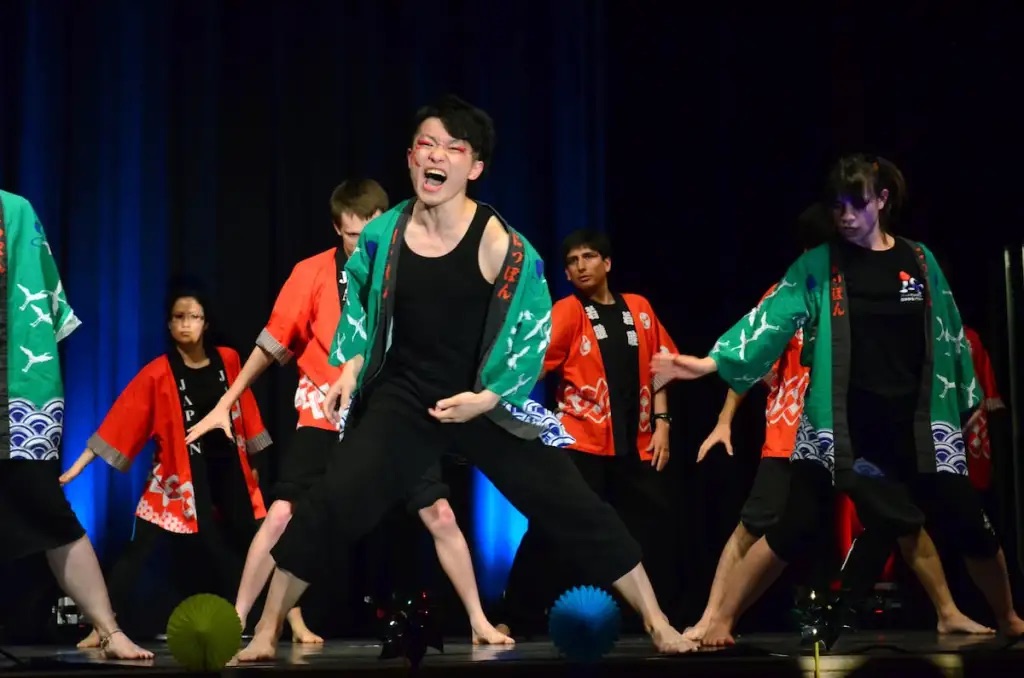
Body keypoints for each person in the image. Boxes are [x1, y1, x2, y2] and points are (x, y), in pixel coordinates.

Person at [235, 94, 696, 661]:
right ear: (410, 158)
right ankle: (265, 632)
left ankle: (657, 621)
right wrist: (350, 368)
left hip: (481, 398)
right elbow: (358, 301)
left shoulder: (502, 243)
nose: (437, 156)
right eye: (426, 145)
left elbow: (533, 332)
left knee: (573, 505)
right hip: (405, 398)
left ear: (474, 167)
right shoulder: (383, 234)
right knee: (331, 503)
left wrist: (487, 398)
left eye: (453, 148)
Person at [652, 154, 1024, 647]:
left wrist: (965, 394)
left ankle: (1008, 618)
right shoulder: (819, 265)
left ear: (882, 200)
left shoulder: (919, 261)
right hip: (840, 423)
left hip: (915, 423)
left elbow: (949, 330)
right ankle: (721, 619)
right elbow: (771, 318)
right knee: (793, 525)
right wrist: (708, 363)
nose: (846, 216)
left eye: (857, 204)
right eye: (837, 206)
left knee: (968, 520)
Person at [186, 178, 512, 645]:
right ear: (337, 229)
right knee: (281, 515)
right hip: (325, 408)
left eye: (371, 233)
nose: (363, 244)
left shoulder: (408, 266)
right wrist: (226, 400)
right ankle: (239, 618)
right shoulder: (313, 272)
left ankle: (478, 620)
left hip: (394, 411)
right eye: (353, 235)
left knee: (439, 512)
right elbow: (272, 342)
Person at [61, 289, 271, 646]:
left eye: (194, 316)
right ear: (169, 324)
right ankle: (102, 626)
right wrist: (79, 465)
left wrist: (254, 463)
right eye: (178, 317)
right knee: (139, 549)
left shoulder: (229, 360)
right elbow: (122, 419)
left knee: (258, 542)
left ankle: (283, 620)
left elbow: (245, 407)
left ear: (206, 323)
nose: (186, 324)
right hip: (177, 477)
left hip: (228, 471)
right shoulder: (158, 373)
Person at [499, 228, 679, 636]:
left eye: (589, 257)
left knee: (650, 526)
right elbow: (536, 363)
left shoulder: (639, 308)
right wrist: (500, 394)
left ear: (607, 263)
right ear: (566, 273)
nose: (581, 266)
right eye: (573, 261)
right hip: (579, 440)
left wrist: (663, 423)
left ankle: (654, 617)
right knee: (551, 526)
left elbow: (663, 365)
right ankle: (514, 616)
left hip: (636, 442)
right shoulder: (568, 311)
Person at [0, 189, 151, 659]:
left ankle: (108, 629)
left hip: (16, 384)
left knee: (47, 509)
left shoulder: (13, 210)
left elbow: (40, 301)